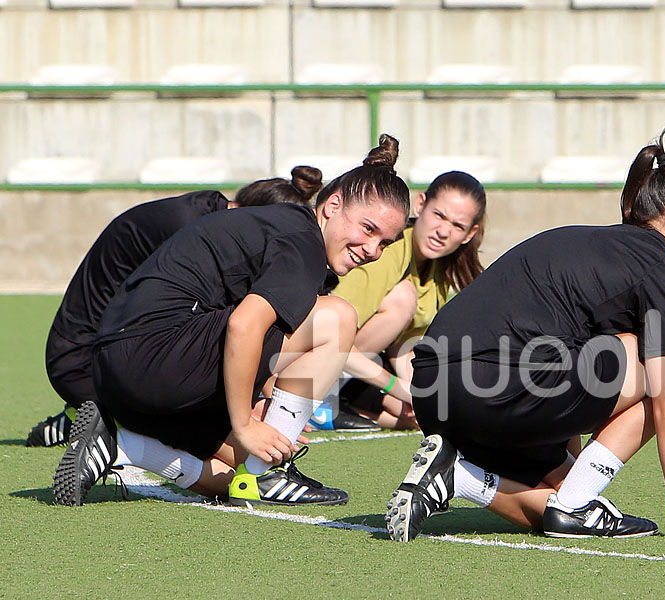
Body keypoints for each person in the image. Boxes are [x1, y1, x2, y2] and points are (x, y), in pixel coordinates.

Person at [385, 131, 665, 541]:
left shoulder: (588, 241)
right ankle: (576, 502)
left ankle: (458, 478)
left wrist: (566, 472)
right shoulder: (657, 269)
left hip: (435, 394)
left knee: (552, 507)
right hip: (496, 388)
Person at [52, 134, 410, 507]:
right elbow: (244, 325)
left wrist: (258, 402)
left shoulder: (285, 226)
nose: (372, 250)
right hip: (153, 359)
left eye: (385, 242)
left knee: (230, 477)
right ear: (333, 205)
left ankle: (124, 446)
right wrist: (245, 423)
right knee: (337, 318)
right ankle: (267, 470)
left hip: (123, 375)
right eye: (368, 229)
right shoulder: (302, 241)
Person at [28, 172, 318, 448]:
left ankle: (87, 415)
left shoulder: (206, 212)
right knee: (227, 447)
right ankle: (99, 420)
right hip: (85, 364)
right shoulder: (192, 229)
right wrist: (251, 404)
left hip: (101, 356)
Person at [327, 171, 486, 431]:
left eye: (457, 226)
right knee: (403, 298)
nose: (443, 231)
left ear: (470, 233)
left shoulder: (440, 270)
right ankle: (321, 397)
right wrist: (394, 385)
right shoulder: (387, 251)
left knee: (417, 416)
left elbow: (403, 347)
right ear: (420, 204)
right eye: (439, 215)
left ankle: (334, 406)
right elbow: (330, 339)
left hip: (360, 366)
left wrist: (421, 395)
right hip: (316, 358)